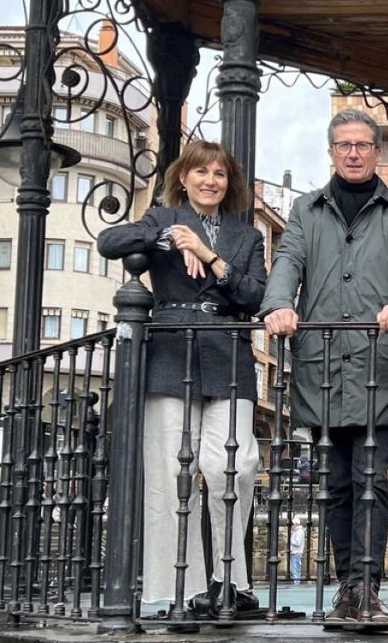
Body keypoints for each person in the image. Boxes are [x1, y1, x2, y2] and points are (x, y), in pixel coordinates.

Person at [261, 108, 388, 632]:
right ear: (331, 152)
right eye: (344, 145)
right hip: (323, 366)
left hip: (378, 362)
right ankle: (345, 588)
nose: (353, 153)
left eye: (362, 145)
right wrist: (277, 304)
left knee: (372, 480)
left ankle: (366, 587)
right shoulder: (305, 210)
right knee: (334, 484)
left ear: (377, 152)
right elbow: (287, 260)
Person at [97, 140, 265, 618]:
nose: (211, 180)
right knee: (172, 473)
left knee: (234, 464)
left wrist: (211, 257)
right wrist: (172, 237)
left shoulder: (246, 235)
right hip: (171, 350)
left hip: (228, 354)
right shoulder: (161, 218)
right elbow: (110, 242)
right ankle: (178, 587)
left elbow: (255, 295)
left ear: (229, 184)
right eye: (201, 172)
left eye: (220, 174)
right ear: (184, 178)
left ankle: (229, 580)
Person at [289, 516, 305, 585]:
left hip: (296, 553)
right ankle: (296, 583)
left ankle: (297, 584)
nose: (291, 526)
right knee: (295, 570)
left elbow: (297, 543)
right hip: (294, 552)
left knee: (296, 570)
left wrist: (291, 539)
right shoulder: (296, 531)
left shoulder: (299, 532)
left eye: (292, 524)